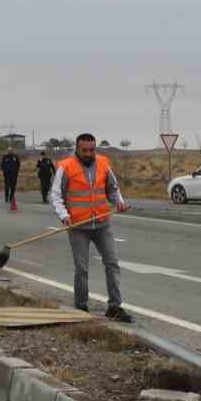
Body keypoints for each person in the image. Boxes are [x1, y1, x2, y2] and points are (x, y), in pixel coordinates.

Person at [49, 133, 132, 321]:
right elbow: (55, 196)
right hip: (78, 226)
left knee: (112, 263)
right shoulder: (66, 166)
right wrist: (64, 216)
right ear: (77, 149)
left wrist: (119, 202)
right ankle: (80, 306)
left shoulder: (103, 163)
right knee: (82, 268)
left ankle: (115, 306)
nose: (88, 153)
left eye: (92, 150)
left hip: (102, 224)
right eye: (84, 150)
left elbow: (113, 189)